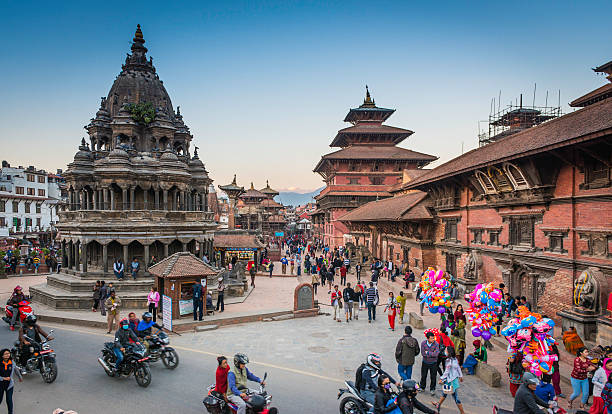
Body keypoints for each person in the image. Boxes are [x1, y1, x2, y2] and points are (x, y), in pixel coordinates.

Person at [432, 347, 465, 414]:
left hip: (451, 381)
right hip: (453, 380)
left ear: (448, 352)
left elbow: (447, 371)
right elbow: (458, 368)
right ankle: (438, 404)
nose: (445, 351)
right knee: (445, 393)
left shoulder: (449, 361)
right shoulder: (455, 359)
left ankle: (462, 412)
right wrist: (460, 376)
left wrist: (441, 379)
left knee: (455, 397)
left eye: (446, 350)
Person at [0, 348, 21, 414]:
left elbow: (16, 369)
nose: (7, 355)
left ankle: (10, 412)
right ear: (2, 355)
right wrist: (3, 378)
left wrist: (20, 377)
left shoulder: (11, 362)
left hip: (9, 385)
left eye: (8, 353)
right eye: (5, 354)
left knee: (9, 399)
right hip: (0, 385)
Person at [420, 331, 440, 396]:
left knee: (433, 376)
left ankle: (432, 389)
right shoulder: (423, 343)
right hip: (425, 362)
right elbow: (423, 353)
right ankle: (422, 387)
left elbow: (436, 354)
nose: (433, 339)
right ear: (427, 338)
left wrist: (428, 353)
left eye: (433, 338)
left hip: (433, 363)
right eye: (431, 338)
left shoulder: (436, 344)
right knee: (423, 375)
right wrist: (432, 353)